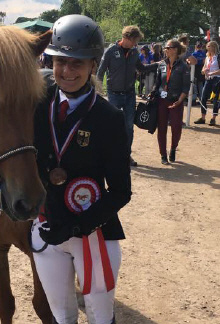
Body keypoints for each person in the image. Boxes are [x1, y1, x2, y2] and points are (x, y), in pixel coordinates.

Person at [31, 14, 132, 324]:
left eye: (77, 63)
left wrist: (77, 227)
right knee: (62, 316)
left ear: (93, 65)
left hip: (93, 233)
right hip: (47, 231)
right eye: (60, 61)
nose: (66, 70)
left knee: (101, 318)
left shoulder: (109, 118)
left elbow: (121, 191)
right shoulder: (37, 103)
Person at [97, 25, 158, 167]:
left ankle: (126, 155)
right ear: (126, 38)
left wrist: (158, 64)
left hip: (130, 94)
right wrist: (98, 91)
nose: (136, 44)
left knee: (129, 127)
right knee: (112, 125)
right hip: (114, 95)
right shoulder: (111, 51)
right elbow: (100, 72)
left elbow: (141, 69)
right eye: (134, 40)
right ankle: (110, 154)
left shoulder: (134, 52)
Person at [152, 39, 190, 164]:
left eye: (168, 48)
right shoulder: (162, 64)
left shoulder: (183, 66)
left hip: (176, 101)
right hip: (162, 101)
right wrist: (153, 93)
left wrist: (180, 100)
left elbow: (186, 86)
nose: (165, 50)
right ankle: (163, 154)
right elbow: (157, 83)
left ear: (175, 50)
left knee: (176, 127)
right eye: (165, 48)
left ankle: (173, 148)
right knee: (161, 128)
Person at [194, 41, 220, 126]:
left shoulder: (218, 57)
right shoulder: (207, 57)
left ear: (213, 47)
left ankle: (213, 118)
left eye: (209, 46)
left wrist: (212, 73)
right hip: (208, 80)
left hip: (217, 80)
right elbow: (203, 69)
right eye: (207, 46)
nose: (207, 48)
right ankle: (203, 118)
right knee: (203, 97)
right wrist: (203, 71)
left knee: (216, 99)